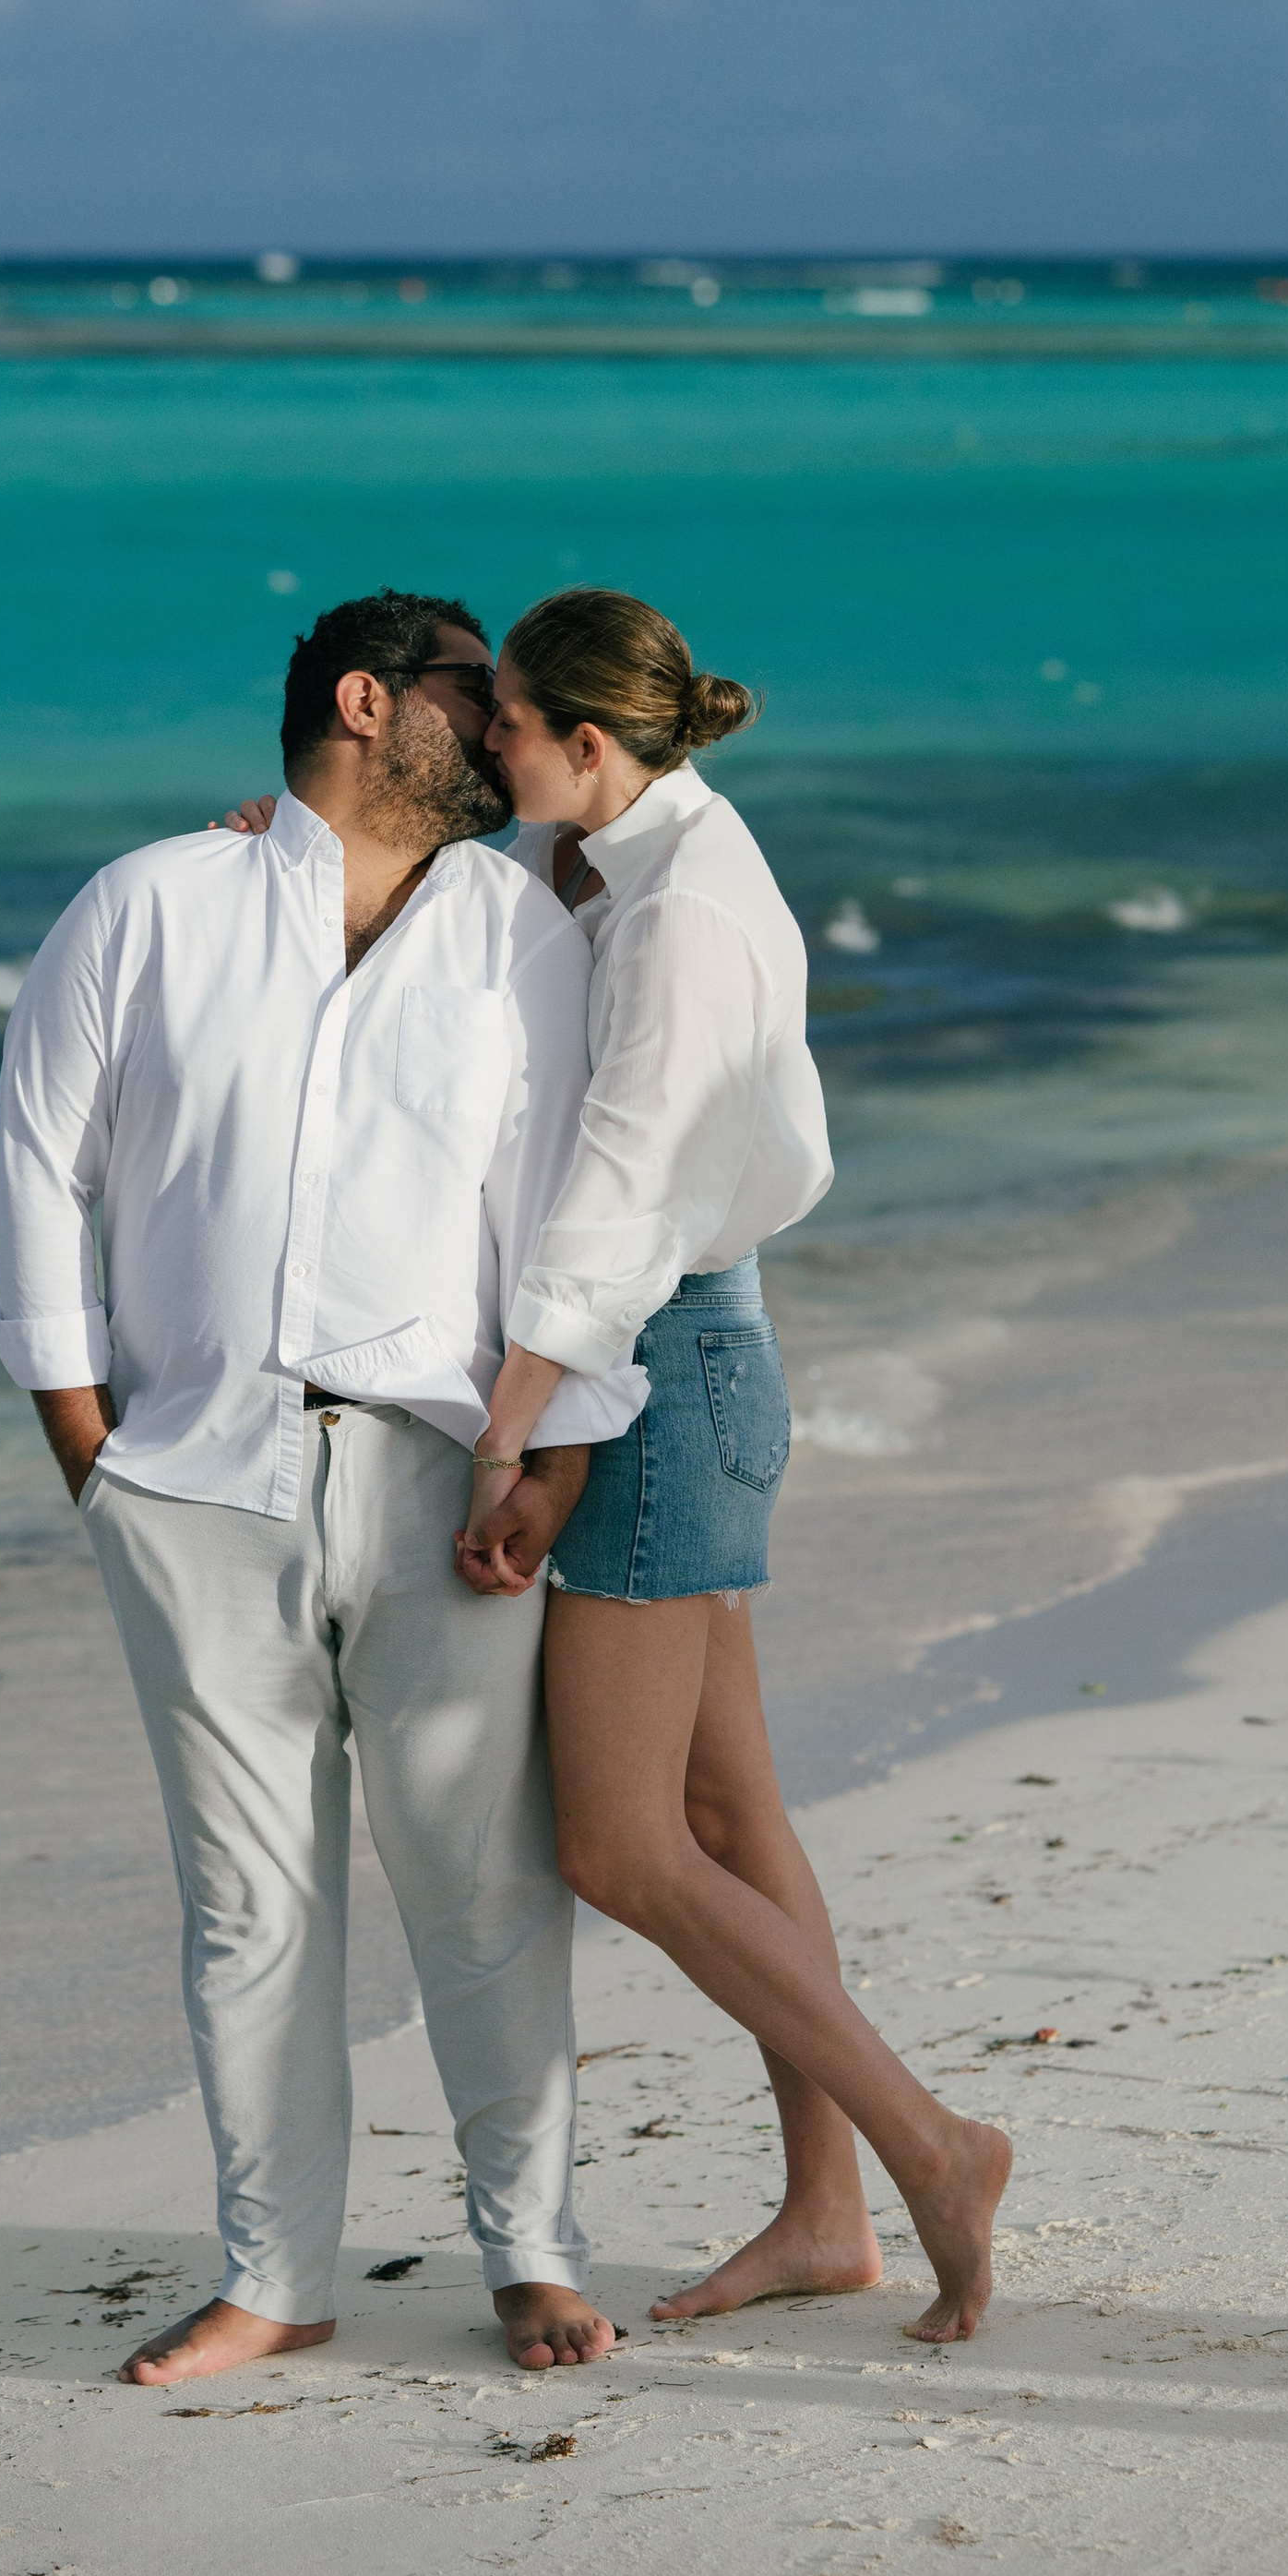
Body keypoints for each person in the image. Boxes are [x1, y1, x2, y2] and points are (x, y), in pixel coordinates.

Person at [0, 589, 648, 2389]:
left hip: (447, 1473)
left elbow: (562, 1214)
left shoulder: (522, 932)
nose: (503, 729)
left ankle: (529, 2248)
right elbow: (38, 1158)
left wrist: (560, 1448)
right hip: (190, 1485)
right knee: (245, 1901)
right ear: (368, 702)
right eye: (472, 695)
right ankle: (274, 2271)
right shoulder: (149, 906)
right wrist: (81, 1443)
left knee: (479, 1880)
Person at [459, 587, 1012, 2344]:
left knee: (623, 1848)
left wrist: (508, 1431)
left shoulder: (682, 912)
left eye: (511, 729)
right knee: (728, 1813)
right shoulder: (651, 858)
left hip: (658, 1368)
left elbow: (618, 1192)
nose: (487, 751)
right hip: (697, 1358)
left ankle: (932, 2144)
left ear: (590, 747)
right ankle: (827, 2211)